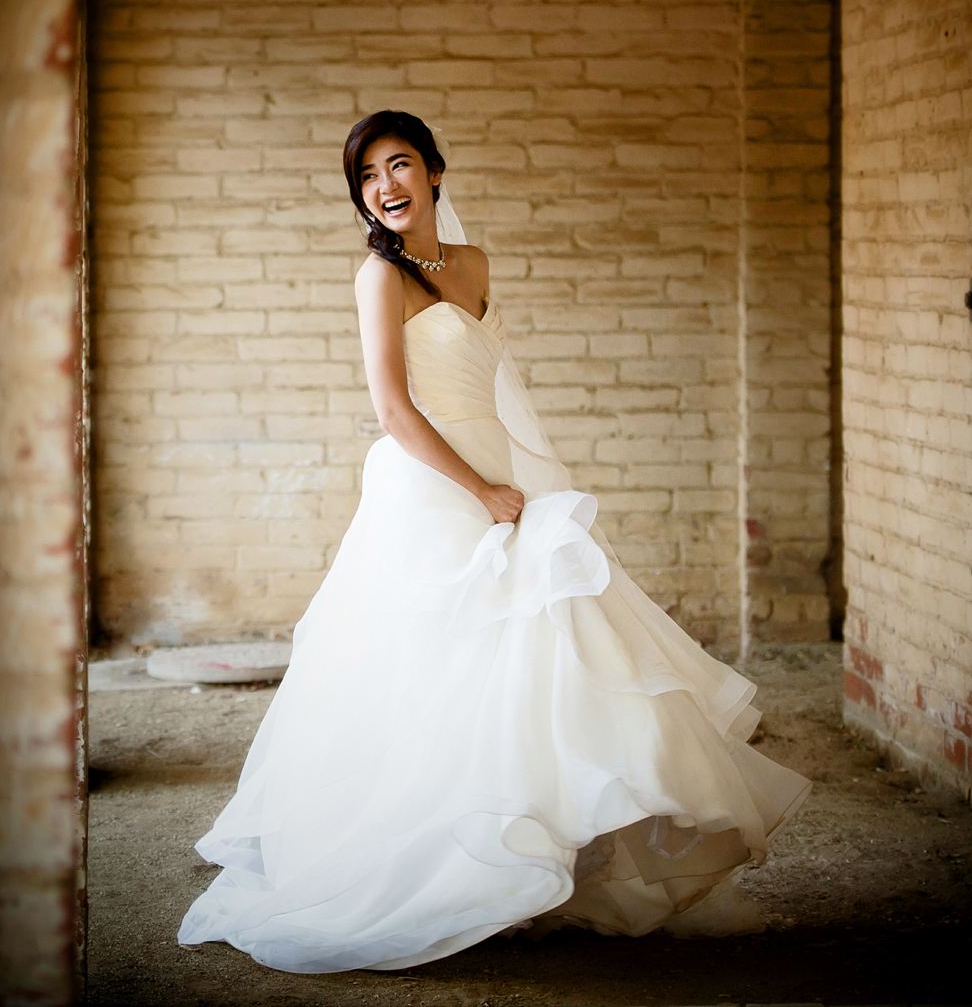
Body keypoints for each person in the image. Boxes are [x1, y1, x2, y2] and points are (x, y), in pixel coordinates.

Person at [177, 110, 811, 973]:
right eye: (368, 178)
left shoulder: (473, 264)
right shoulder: (379, 278)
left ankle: (540, 871)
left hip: (504, 481)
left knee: (543, 667)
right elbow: (395, 412)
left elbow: (494, 385)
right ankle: (439, 874)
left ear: (436, 173)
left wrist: (525, 483)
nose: (385, 187)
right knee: (437, 674)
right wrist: (480, 491)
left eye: (400, 166)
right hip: (433, 492)